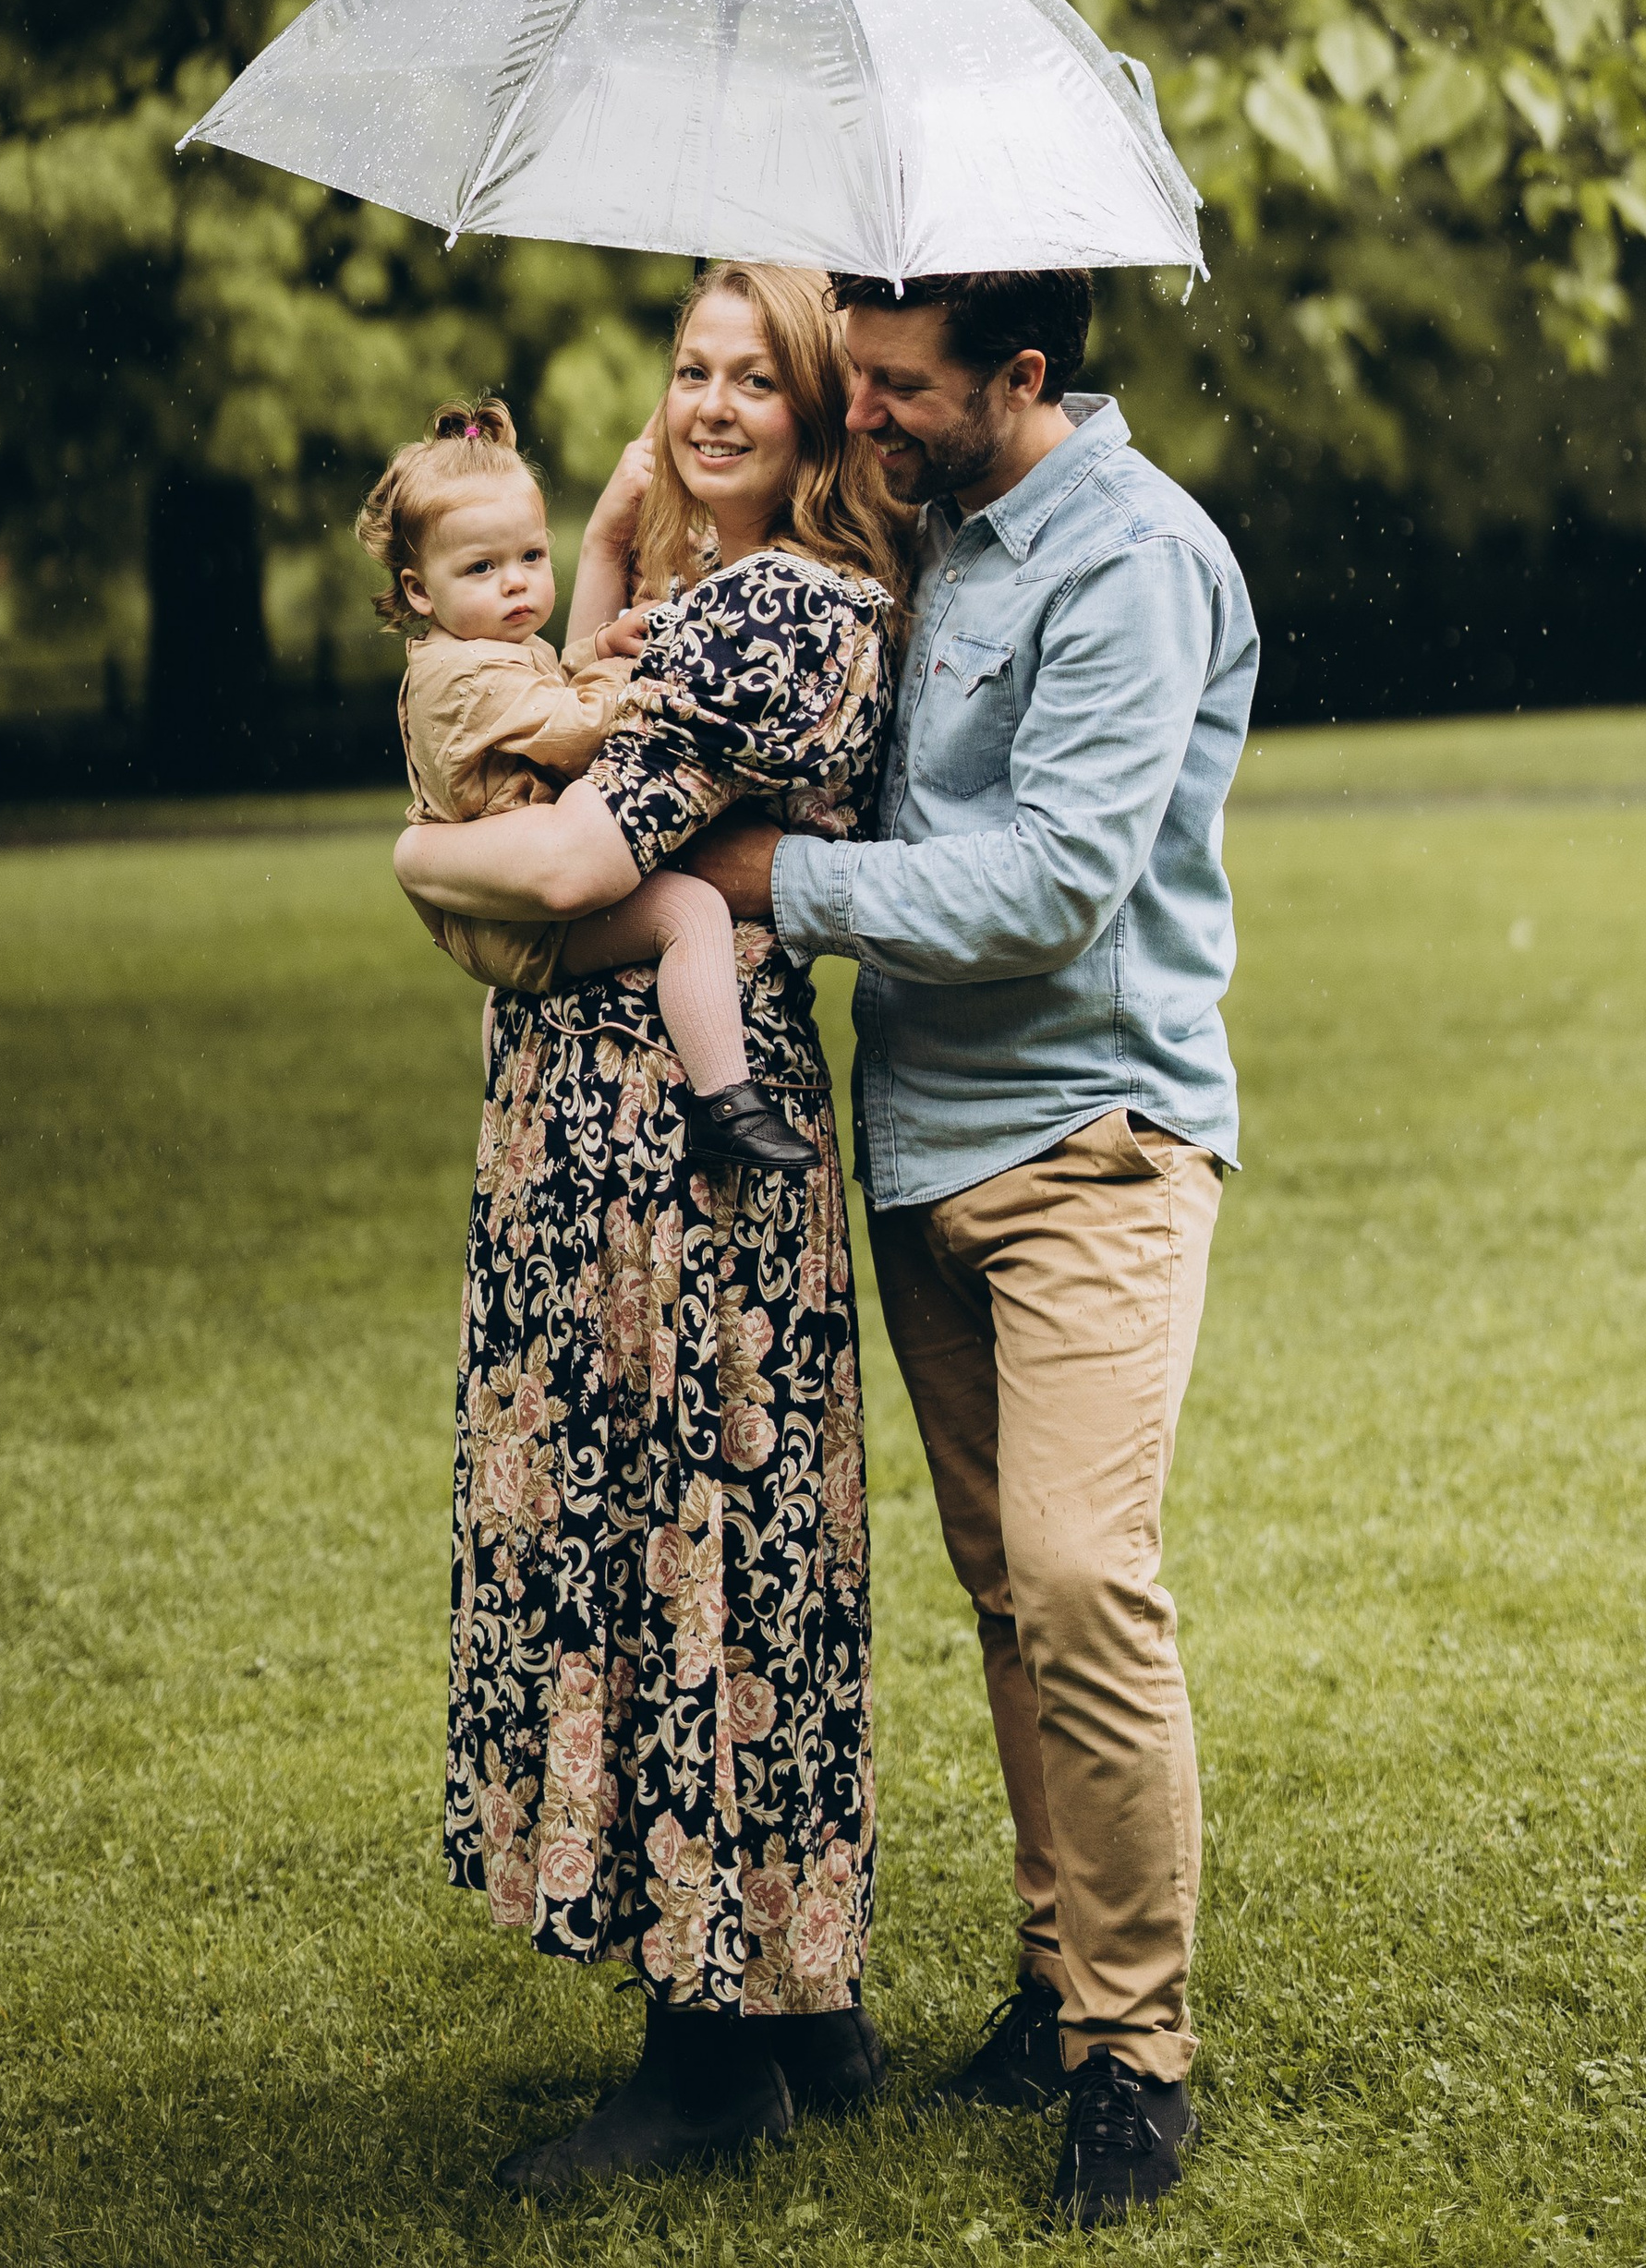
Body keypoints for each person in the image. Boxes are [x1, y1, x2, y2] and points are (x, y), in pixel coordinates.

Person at [679, 268, 1259, 2231]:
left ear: (1022, 377)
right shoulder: (916, 524)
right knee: (1007, 1586)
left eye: (902, 391)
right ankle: (1048, 1984)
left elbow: (1049, 879)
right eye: (861, 384)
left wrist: (784, 882)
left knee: (1089, 1579)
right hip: (922, 1142)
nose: (867, 419)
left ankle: (1132, 2054)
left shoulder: (1132, 558)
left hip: (1091, 1142)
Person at [391, 262, 914, 2199]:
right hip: (603, 1126)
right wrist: (613, 537)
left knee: (688, 1534)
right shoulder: (692, 604)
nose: (707, 407)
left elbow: (573, 847)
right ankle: (790, 1994)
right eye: (685, 373)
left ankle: (707, 2067)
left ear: (817, 412)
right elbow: (599, 749)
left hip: (664, 1154)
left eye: (749, 381)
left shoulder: (791, 614)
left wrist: (412, 852)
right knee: (718, 1531)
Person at [355, 392, 806, 1173]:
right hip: (523, 912)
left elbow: (540, 688)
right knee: (691, 909)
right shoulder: (459, 680)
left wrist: (596, 641)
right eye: (483, 568)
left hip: (509, 890)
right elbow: (568, 731)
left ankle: (517, 1057)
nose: (517, 585)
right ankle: (725, 1101)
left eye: (532, 557)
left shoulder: (475, 647)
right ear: (419, 590)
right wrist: (642, 679)